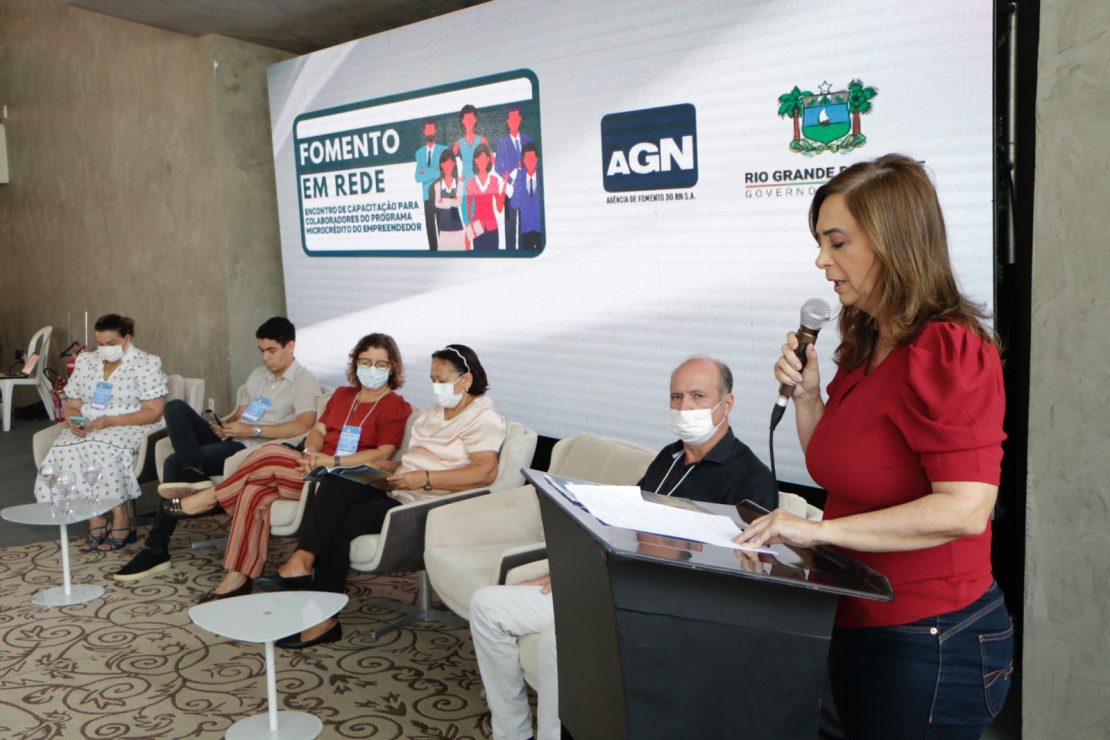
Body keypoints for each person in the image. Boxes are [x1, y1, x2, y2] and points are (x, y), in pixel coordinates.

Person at [737, 154, 1013, 739]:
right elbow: (835, 468)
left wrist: (815, 531)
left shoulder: (948, 348)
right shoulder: (869, 341)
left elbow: (966, 509)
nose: (821, 261)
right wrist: (809, 397)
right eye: (819, 242)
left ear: (894, 242)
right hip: (857, 616)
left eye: (837, 242)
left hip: (931, 636)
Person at [469, 356, 774, 740]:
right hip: (609, 583)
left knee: (560, 639)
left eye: (698, 396)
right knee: (487, 607)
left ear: (725, 405)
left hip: (666, 607)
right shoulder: (668, 459)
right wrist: (573, 572)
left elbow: (747, 578)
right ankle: (510, 734)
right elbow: (619, 525)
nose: (684, 408)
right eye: (676, 397)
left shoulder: (752, 480)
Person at [264, 343, 506, 649]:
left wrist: (427, 479)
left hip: (434, 509)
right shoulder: (433, 414)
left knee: (337, 516)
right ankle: (321, 615)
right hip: (403, 493)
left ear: (466, 380)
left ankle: (304, 568)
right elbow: (410, 463)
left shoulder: (482, 417)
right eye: (432, 380)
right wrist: (380, 469)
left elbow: (485, 472)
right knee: (336, 486)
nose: (436, 387)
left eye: (442, 381)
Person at [159, 333, 411, 604]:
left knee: (269, 452)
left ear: (392, 367)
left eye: (380, 364)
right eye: (365, 361)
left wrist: (331, 462)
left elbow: (382, 453)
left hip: (341, 481)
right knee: (254, 491)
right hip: (311, 466)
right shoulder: (342, 395)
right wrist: (311, 452)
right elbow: (318, 430)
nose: (371, 369)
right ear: (355, 363)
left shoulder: (394, 405)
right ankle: (237, 578)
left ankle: (212, 497)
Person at [113, 317, 321, 581]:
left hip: (253, 449)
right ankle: (195, 473)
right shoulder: (258, 376)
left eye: (271, 351)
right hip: (233, 439)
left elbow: (304, 425)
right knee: (175, 407)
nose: (265, 358)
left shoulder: (304, 381)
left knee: (174, 463)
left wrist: (253, 431)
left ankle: (156, 548)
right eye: (261, 350)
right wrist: (225, 425)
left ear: (290, 346)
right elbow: (244, 414)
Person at [34, 314, 167, 551]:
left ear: (127, 339)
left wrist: (111, 421)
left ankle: (122, 519)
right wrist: (74, 420)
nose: (105, 349)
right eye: (101, 344)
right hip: (92, 425)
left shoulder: (146, 363)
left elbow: (154, 411)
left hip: (131, 425)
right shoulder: (87, 361)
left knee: (100, 449)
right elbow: (72, 402)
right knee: (65, 449)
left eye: (111, 344)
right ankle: (95, 519)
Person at [494, 106, 532, 250]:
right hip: (510, 190)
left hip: (525, 190)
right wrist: (510, 179)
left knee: (524, 227)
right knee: (510, 227)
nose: (514, 121)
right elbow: (498, 167)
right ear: (507, 122)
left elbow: (534, 161)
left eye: (516, 118)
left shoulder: (527, 139)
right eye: (511, 119)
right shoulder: (502, 141)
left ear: (520, 119)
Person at [452, 104, 487, 236]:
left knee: (479, 225)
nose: (469, 122)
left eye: (471, 119)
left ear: (476, 120)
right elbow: (447, 162)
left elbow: (491, 161)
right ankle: (468, 253)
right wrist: (456, 179)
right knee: (468, 225)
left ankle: (479, 252)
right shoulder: (459, 143)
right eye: (466, 120)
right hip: (464, 186)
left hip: (479, 186)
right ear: (462, 121)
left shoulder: (482, 140)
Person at [414, 119, 446, 250]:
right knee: (430, 228)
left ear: (436, 131)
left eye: (432, 129)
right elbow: (417, 177)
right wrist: (435, 170)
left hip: (440, 195)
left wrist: (426, 171)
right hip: (427, 196)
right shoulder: (419, 153)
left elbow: (443, 172)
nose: (430, 132)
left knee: (442, 227)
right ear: (424, 132)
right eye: (427, 129)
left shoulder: (443, 150)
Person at [466, 144, 504, 252]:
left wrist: (505, 183)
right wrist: (472, 227)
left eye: (484, 158)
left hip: (492, 225)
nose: (482, 161)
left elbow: (500, 208)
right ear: (475, 161)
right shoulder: (471, 183)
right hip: (477, 226)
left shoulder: (494, 181)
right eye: (479, 159)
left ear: (488, 160)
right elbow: (468, 208)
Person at [507, 142, 543, 251]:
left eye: (533, 158)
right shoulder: (520, 177)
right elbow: (514, 204)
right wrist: (518, 180)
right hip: (526, 231)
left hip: (541, 230)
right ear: (523, 160)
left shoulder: (542, 176)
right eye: (527, 158)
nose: (530, 161)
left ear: (537, 159)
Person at [433, 149, 466, 251]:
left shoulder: (459, 184)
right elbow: (437, 204)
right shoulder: (437, 185)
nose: (448, 166)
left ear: (454, 164)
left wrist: (445, 200)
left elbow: (458, 203)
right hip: (444, 231)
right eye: (445, 163)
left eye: (451, 163)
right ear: (441, 165)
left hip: (458, 230)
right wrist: (452, 199)